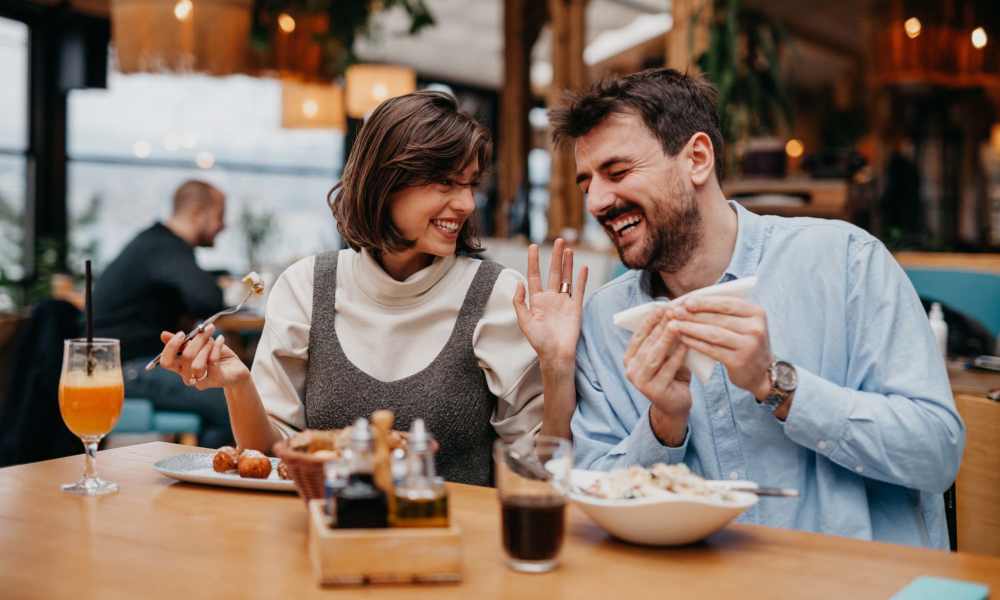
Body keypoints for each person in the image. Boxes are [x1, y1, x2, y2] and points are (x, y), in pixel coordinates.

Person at [514, 68, 965, 549]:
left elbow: (937, 452)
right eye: (586, 185)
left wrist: (778, 384)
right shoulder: (604, 321)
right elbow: (592, 488)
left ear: (698, 159)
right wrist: (663, 425)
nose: (598, 201)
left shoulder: (846, 261)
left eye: (618, 172)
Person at [155, 91, 585, 486]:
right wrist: (238, 385)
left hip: (455, 545)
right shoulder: (307, 286)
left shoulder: (496, 295)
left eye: (470, 184)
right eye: (446, 184)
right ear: (385, 182)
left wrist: (558, 367)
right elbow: (269, 459)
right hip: (324, 537)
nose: (468, 204)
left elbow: (537, 466)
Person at [94, 180, 233, 447]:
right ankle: (208, 479)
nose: (223, 226)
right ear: (197, 213)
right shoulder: (165, 247)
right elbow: (208, 298)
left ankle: (203, 471)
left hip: (128, 363)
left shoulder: (154, 244)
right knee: (231, 401)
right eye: (219, 215)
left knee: (228, 393)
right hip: (128, 368)